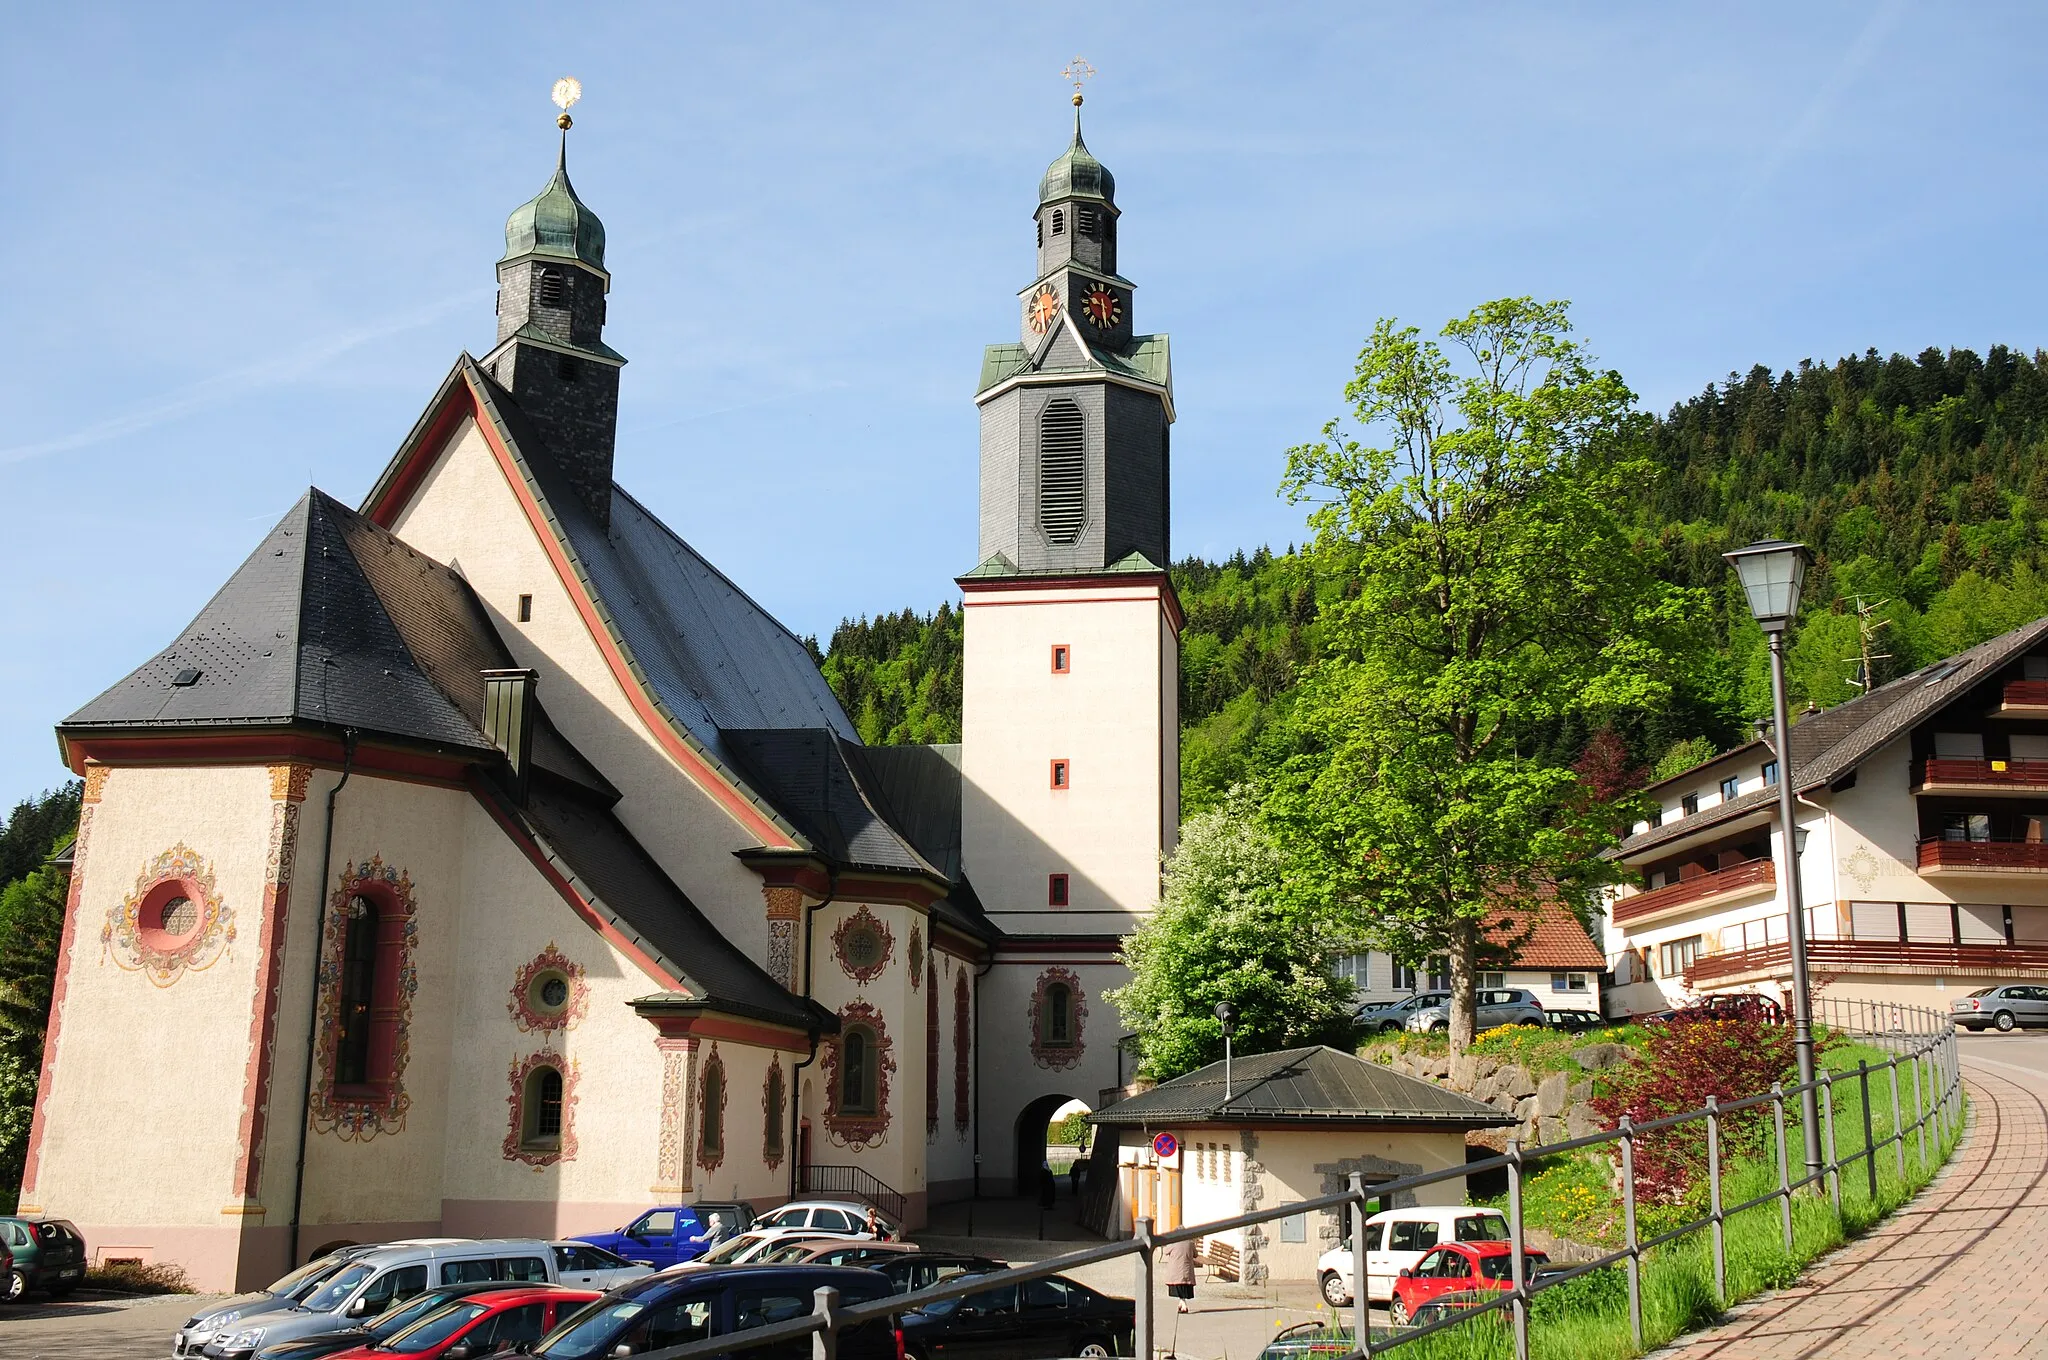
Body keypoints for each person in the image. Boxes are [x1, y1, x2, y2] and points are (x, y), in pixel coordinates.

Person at [1161, 1236, 1196, 1313]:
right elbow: (1195, 1254)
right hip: (1187, 1270)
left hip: (1175, 1270)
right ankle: (1181, 1303)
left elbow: (1165, 1251)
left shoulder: (1173, 1242)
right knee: (1184, 1287)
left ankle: (1184, 1306)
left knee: (1178, 1287)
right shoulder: (1190, 1243)